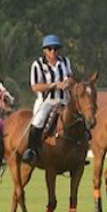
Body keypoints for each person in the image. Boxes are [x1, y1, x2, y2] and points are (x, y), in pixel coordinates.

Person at [23, 34, 73, 164]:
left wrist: (69, 82)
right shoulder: (38, 65)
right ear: (44, 50)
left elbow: (71, 77)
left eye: (56, 49)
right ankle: (31, 150)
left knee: (79, 117)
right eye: (50, 49)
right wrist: (55, 85)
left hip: (65, 100)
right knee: (38, 121)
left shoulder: (65, 62)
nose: (53, 52)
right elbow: (35, 87)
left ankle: (80, 149)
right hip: (47, 101)